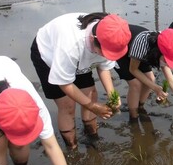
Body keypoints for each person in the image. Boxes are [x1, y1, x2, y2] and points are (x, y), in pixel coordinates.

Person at [31, 12, 131, 149]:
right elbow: (64, 83)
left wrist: (111, 93)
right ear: (93, 39)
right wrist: (94, 107)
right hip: (48, 54)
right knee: (67, 105)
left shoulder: (112, 36)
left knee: (91, 95)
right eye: (104, 52)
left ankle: (92, 136)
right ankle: (72, 147)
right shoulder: (70, 45)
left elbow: (104, 67)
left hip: (82, 52)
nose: (105, 56)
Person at [114, 26, 173, 126]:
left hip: (141, 54)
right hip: (121, 50)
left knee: (151, 79)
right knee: (135, 84)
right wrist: (155, 88)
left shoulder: (168, 46)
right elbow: (133, 69)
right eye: (166, 60)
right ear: (159, 52)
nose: (167, 63)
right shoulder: (143, 43)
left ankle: (140, 106)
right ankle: (133, 118)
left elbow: (171, 80)